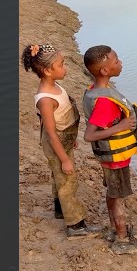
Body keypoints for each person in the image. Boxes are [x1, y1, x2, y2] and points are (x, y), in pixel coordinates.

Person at [22, 42, 100, 238]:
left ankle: (60, 209)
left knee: (59, 176)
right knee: (67, 180)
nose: (65, 68)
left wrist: (70, 140)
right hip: (56, 141)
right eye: (62, 65)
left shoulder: (55, 85)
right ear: (48, 70)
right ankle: (75, 224)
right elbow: (50, 132)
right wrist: (64, 158)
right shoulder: (46, 100)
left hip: (64, 138)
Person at [81, 44, 137, 255]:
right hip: (115, 159)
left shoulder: (96, 90)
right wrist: (120, 127)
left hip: (111, 157)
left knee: (113, 192)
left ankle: (114, 229)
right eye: (116, 60)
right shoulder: (104, 102)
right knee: (118, 196)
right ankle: (121, 239)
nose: (120, 63)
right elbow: (89, 135)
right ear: (104, 70)